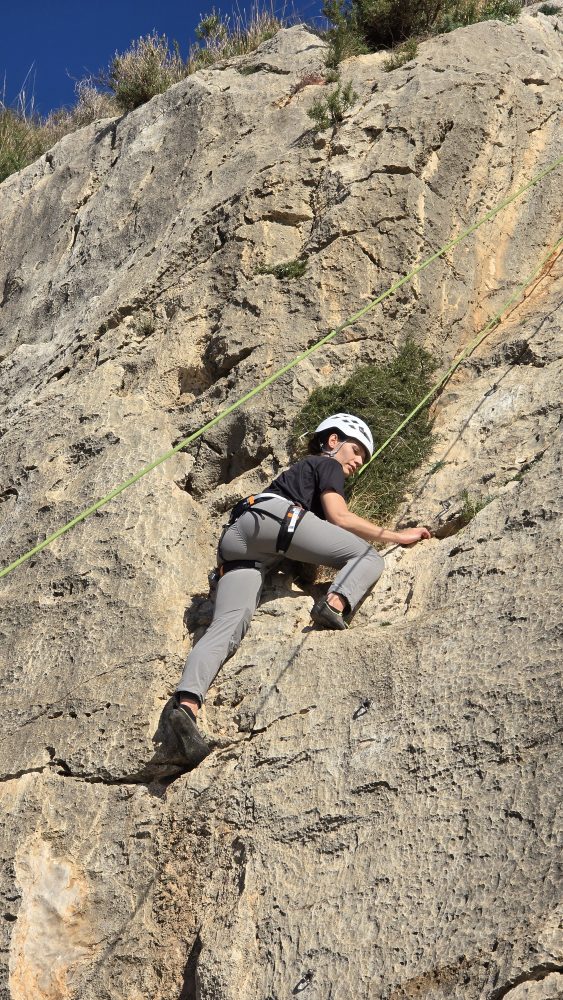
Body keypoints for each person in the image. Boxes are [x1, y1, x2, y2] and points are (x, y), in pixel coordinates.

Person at [168, 413, 431, 764]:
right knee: (368, 557)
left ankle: (186, 706)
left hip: (238, 540)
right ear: (333, 441)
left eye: (363, 459)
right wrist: (399, 536)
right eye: (355, 450)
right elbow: (340, 518)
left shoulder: (302, 475)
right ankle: (333, 604)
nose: (356, 462)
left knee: (228, 626)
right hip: (278, 520)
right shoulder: (326, 465)